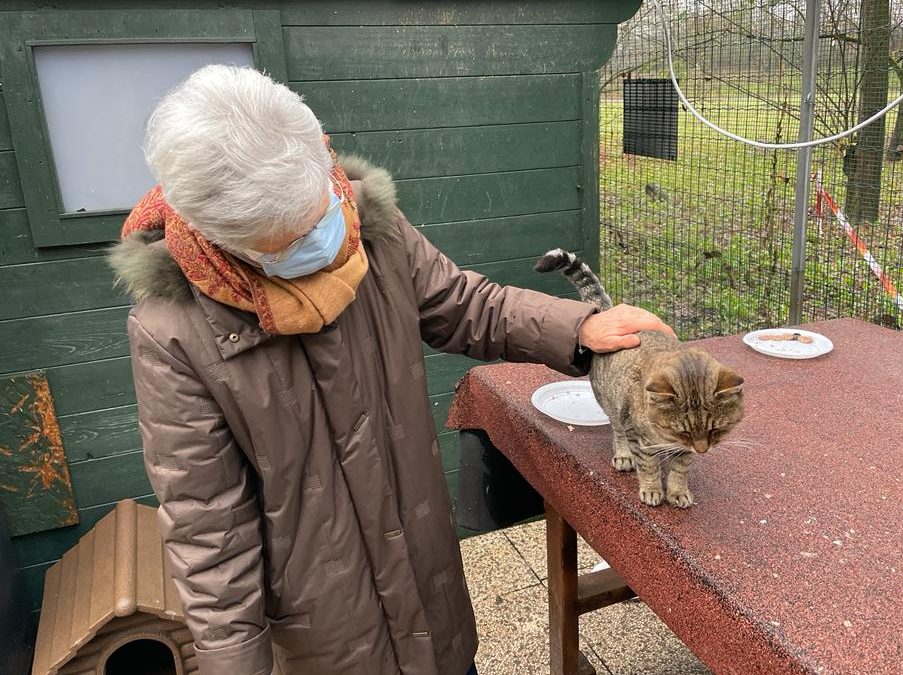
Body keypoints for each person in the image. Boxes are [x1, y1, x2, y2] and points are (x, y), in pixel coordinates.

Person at [109, 65, 673, 675]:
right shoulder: (172, 329)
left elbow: (463, 304)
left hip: (424, 577)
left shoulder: (368, 226)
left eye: (318, 215)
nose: (321, 246)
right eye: (284, 246)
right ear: (222, 239)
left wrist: (577, 326)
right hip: (323, 621)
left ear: (322, 160)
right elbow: (207, 524)